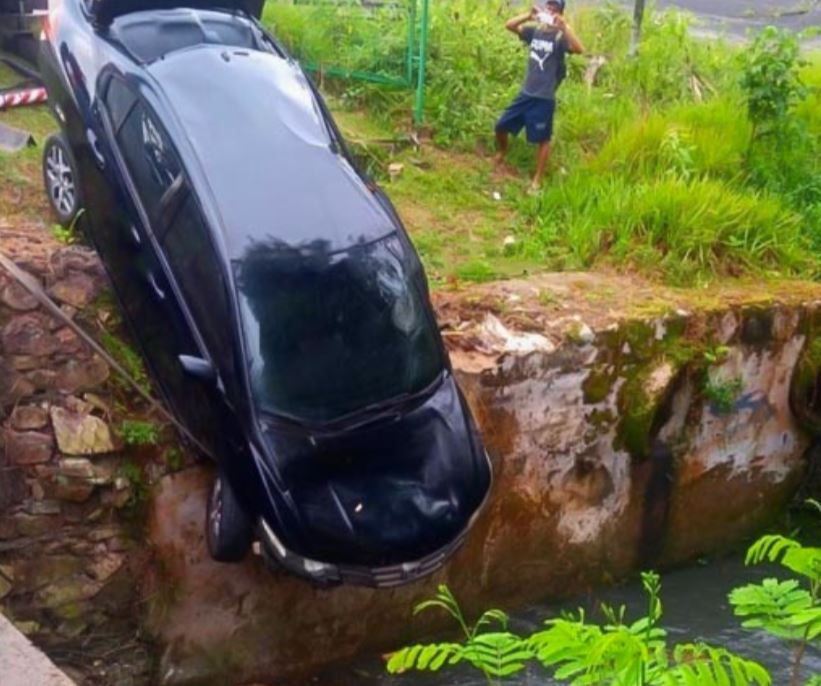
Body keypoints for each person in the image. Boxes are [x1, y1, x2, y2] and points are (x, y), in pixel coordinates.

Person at [494, 0, 584, 191]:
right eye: (548, 6)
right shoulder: (535, 32)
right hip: (526, 93)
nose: (550, 10)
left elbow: (579, 49)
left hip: (544, 97)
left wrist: (564, 26)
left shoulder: (560, 37)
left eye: (554, 9)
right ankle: (502, 152)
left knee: (543, 139)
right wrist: (529, 15)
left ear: (560, 13)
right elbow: (510, 25)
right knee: (501, 126)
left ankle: (537, 179)